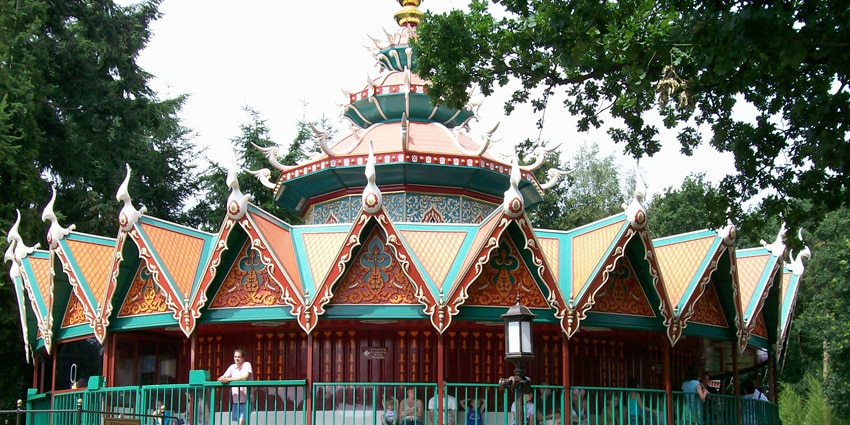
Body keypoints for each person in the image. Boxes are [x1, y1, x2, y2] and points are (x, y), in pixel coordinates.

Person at [218, 349, 253, 425]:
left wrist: (229, 379)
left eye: (239, 357)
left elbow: (244, 377)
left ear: (243, 358)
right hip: (236, 400)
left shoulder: (247, 364)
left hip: (247, 399)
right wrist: (221, 378)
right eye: (235, 356)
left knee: (241, 422)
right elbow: (224, 377)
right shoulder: (232, 367)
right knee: (239, 422)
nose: (236, 358)